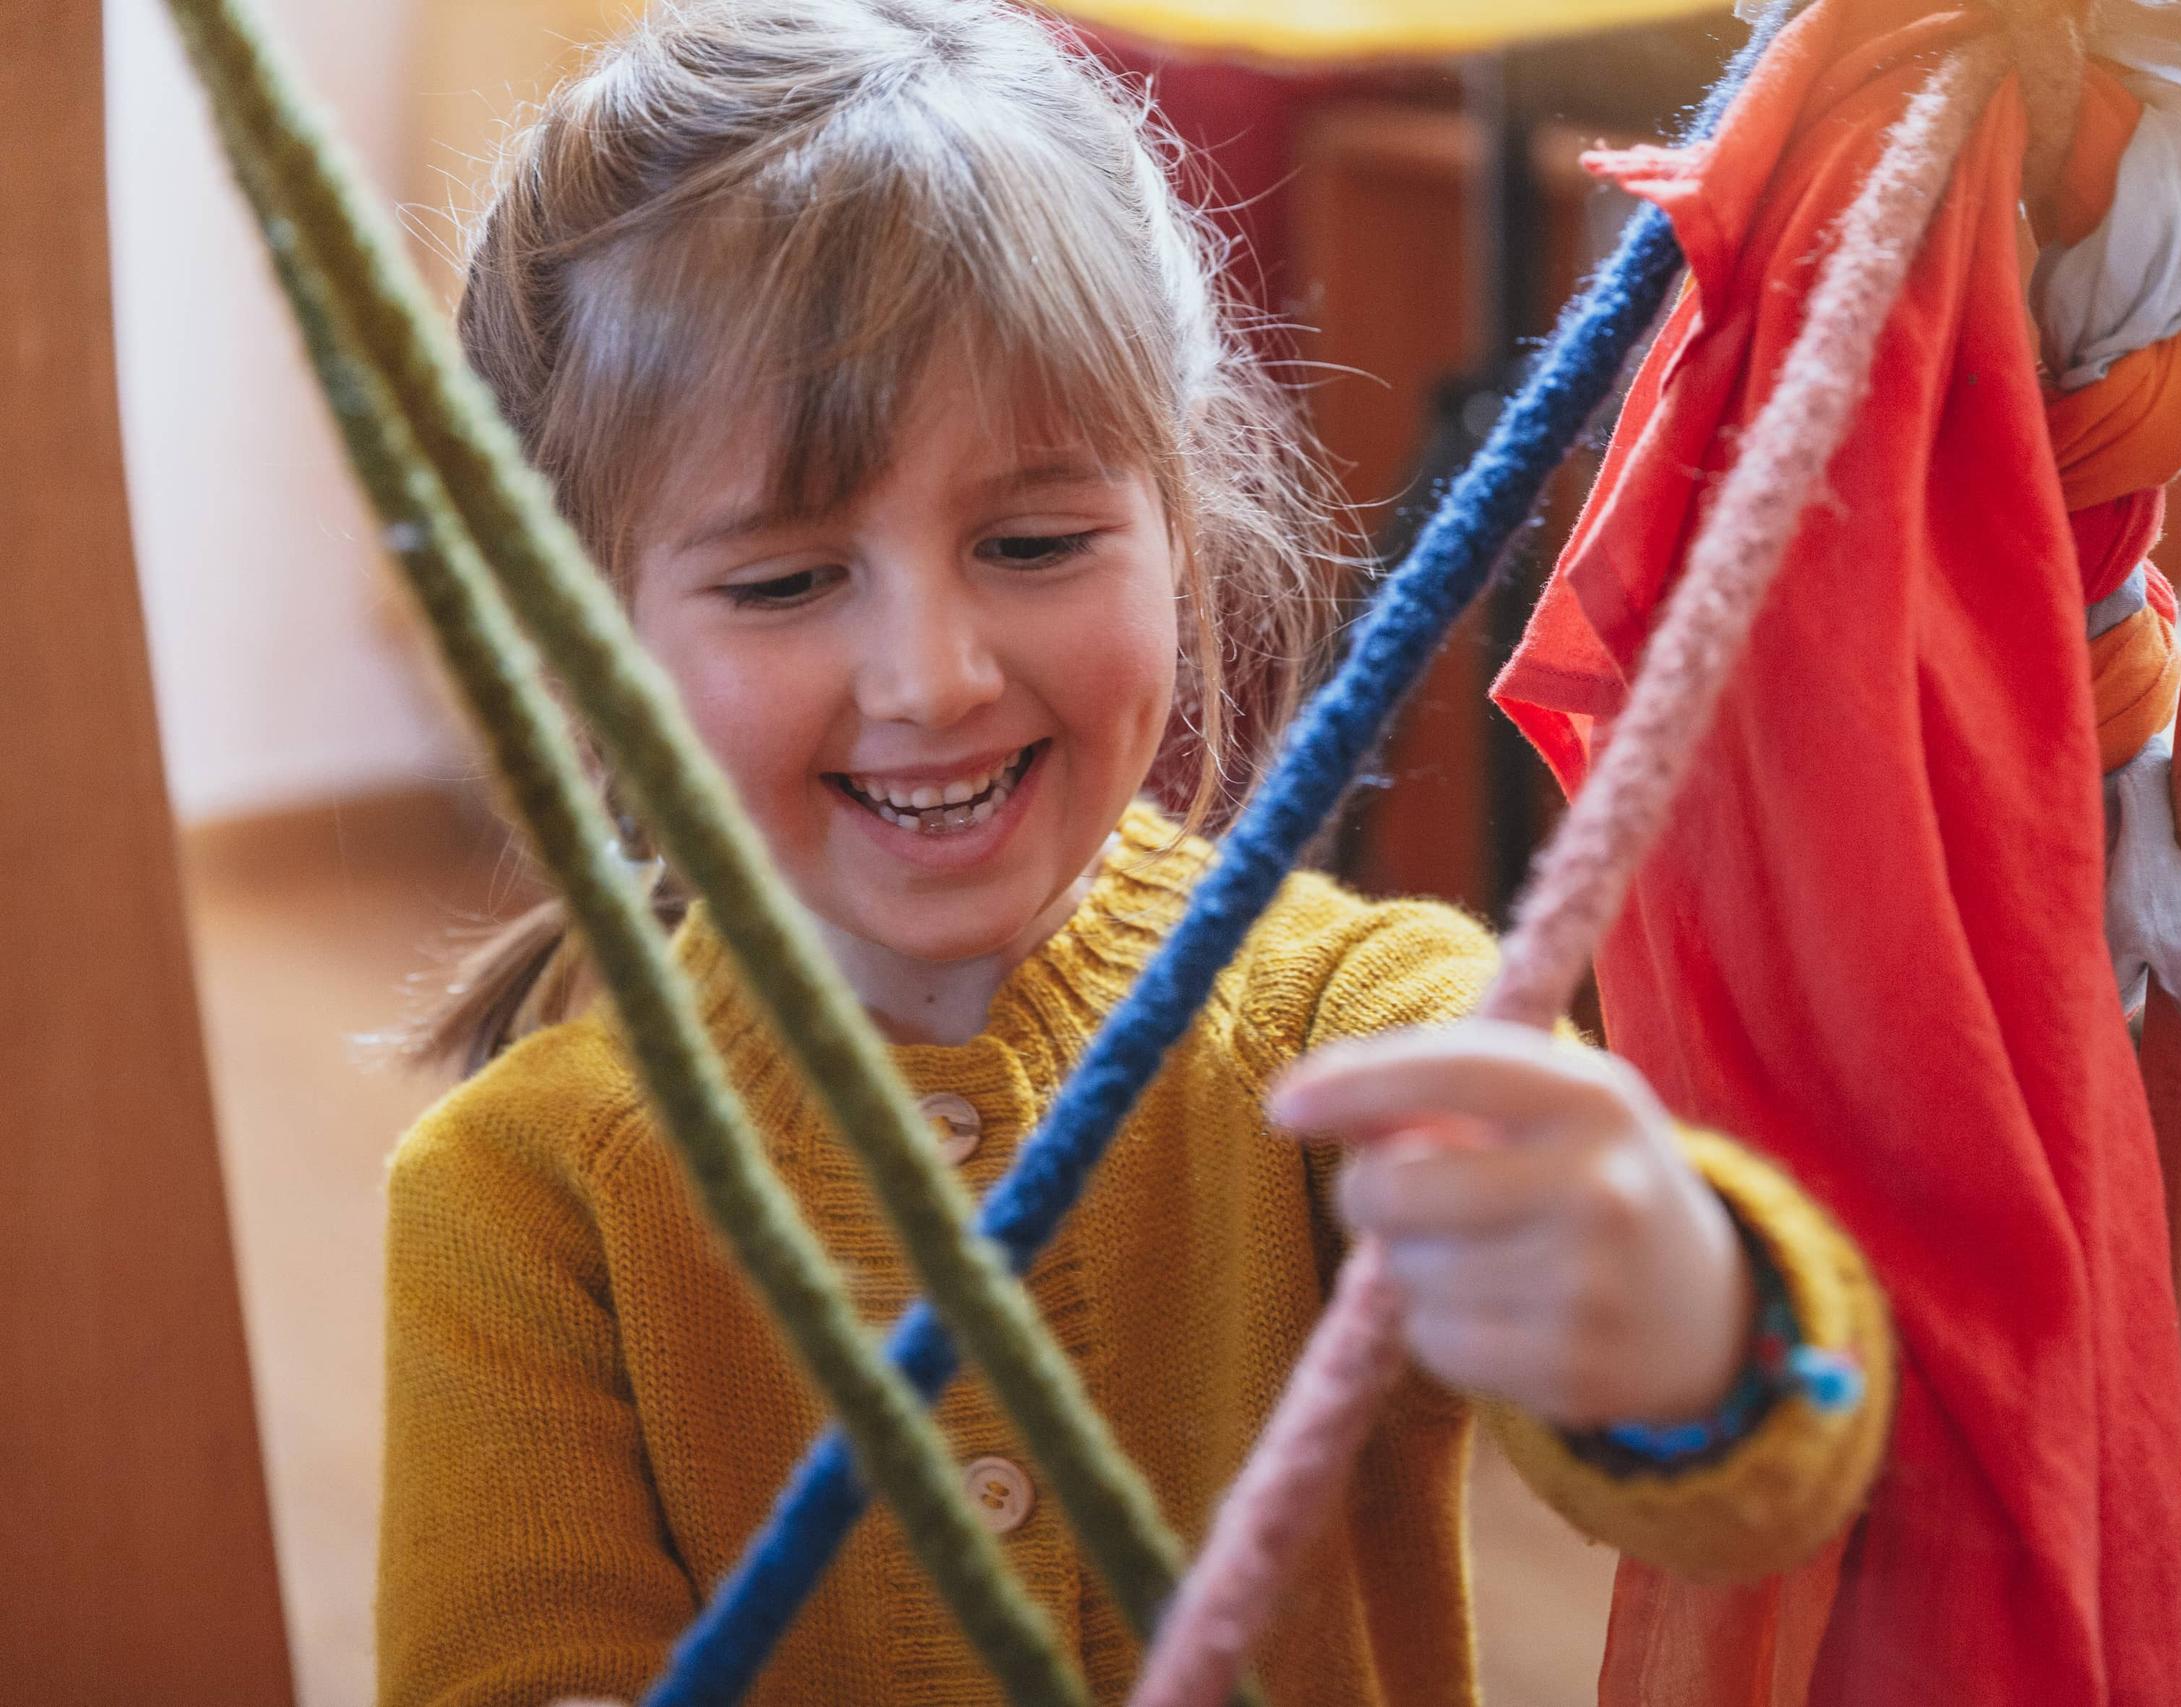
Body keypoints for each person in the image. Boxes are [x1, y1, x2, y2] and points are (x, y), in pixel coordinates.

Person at [380, 3, 1890, 1701]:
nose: (935, 676)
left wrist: (1703, 1321)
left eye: (1034, 540)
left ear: (1181, 522)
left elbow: (1783, 1452)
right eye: (787, 582)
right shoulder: (521, 1202)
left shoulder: (1355, 1023)